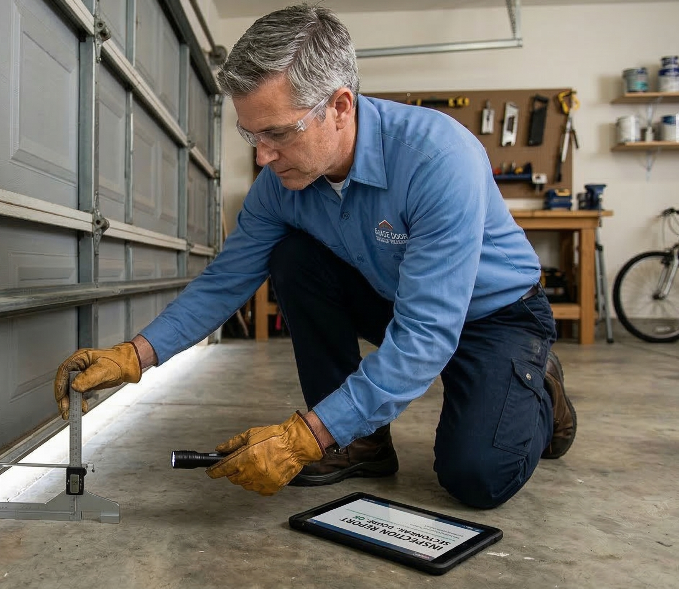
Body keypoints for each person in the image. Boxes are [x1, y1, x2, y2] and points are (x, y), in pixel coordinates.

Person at [54, 3, 575, 509]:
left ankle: (537, 385)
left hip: (494, 316)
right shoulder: (279, 185)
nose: (262, 156)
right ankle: (358, 441)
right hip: (397, 298)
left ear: (340, 106)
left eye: (278, 132)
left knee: (477, 477)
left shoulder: (438, 160)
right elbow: (227, 280)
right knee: (293, 258)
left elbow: (427, 334)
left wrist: (305, 436)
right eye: (251, 134)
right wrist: (135, 355)